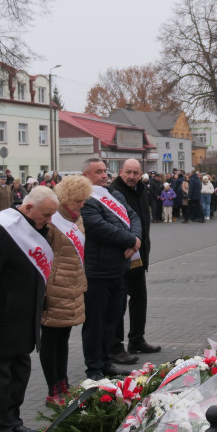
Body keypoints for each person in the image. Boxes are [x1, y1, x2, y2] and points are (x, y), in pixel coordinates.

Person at [0, 186, 58, 432]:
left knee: (20, 372)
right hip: (0, 318)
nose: (49, 221)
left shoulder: (34, 227)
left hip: (25, 316)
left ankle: (13, 420)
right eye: (46, 215)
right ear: (29, 208)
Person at [80, 158, 141, 379]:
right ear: (87, 176)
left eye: (105, 171)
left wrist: (135, 238)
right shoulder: (85, 198)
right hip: (97, 271)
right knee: (95, 323)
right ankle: (94, 368)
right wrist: (130, 240)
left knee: (113, 319)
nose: (105, 175)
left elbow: (133, 216)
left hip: (118, 269)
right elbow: (97, 226)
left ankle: (106, 362)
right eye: (98, 172)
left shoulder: (115, 195)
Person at [41, 175, 90, 406]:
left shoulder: (76, 217)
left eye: (83, 200)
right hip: (55, 286)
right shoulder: (51, 220)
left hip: (72, 284)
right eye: (78, 201)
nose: (82, 205)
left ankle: (64, 383)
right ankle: (53, 388)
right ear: (66, 198)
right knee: (51, 340)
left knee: (63, 338)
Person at [109, 159, 161, 357]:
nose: (131, 177)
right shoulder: (114, 192)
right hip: (122, 255)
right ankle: (116, 346)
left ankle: (137, 339)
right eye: (128, 172)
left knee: (139, 298)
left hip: (140, 255)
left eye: (135, 173)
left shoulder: (141, 189)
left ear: (141, 174)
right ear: (121, 171)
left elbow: (141, 220)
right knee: (119, 303)